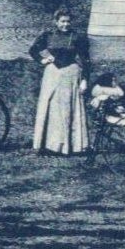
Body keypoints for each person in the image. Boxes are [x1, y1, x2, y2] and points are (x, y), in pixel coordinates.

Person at [28, 8, 91, 155]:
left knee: (69, 109)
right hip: (52, 74)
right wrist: (43, 59)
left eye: (68, 21)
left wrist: (85, 80)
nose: (66, 24)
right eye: (62, 21)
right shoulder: (47, 36)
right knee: (52, 108)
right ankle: (51, 145)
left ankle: (71, 146)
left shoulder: (77, 37)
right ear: (56, 22)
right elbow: (33, 50)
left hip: (71, 74)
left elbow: (86, 61)